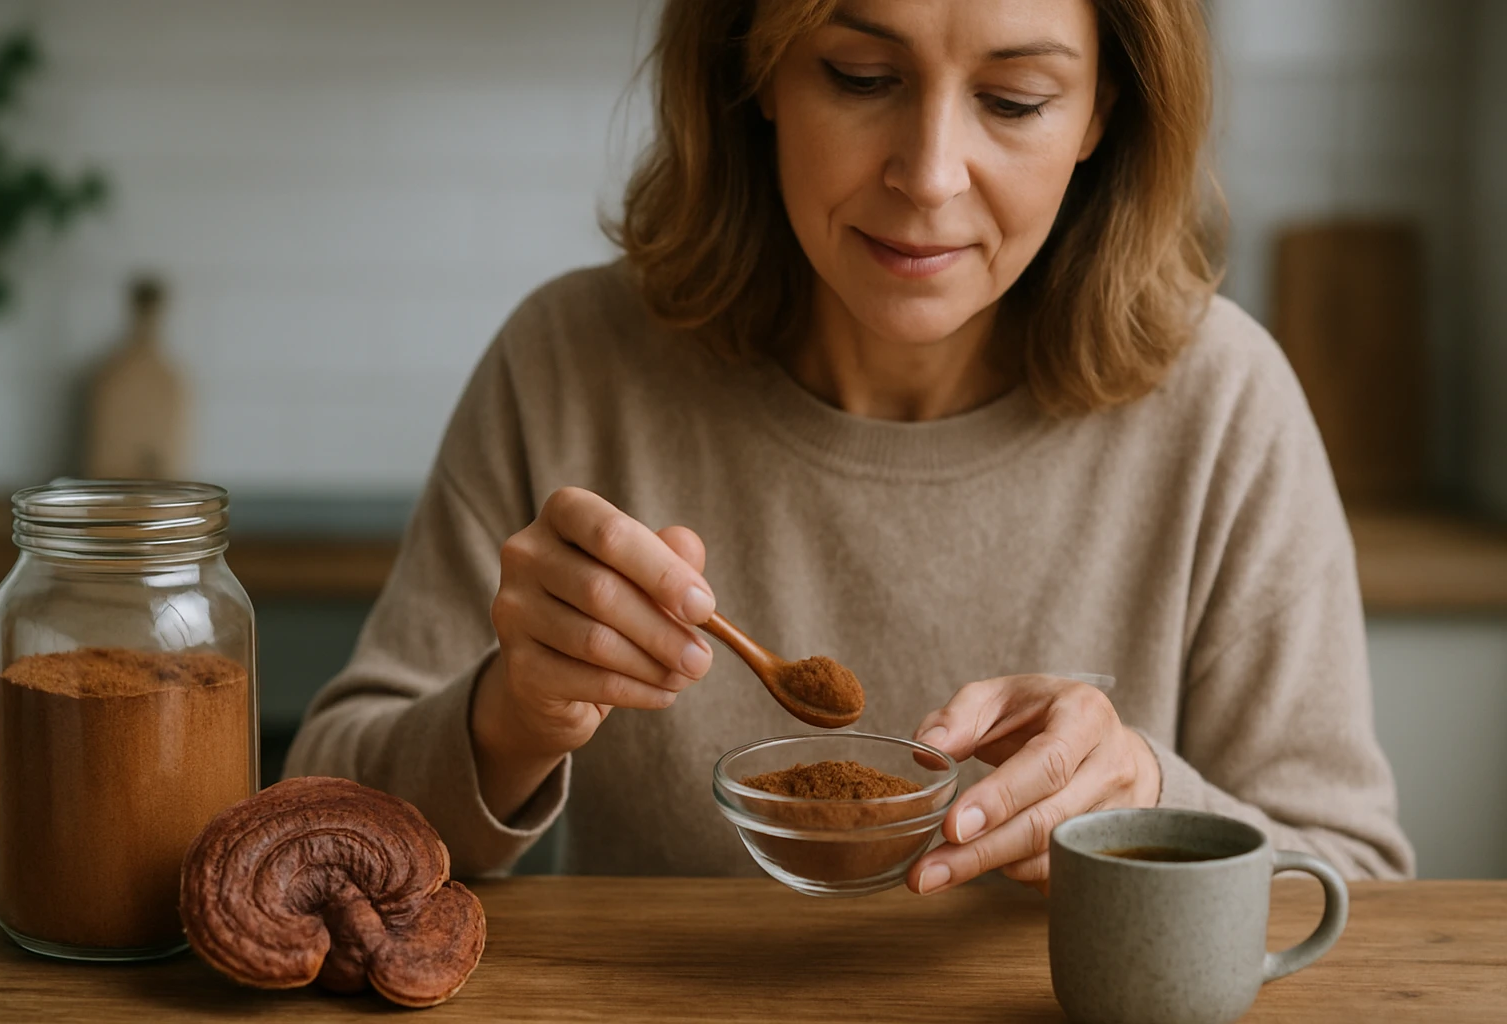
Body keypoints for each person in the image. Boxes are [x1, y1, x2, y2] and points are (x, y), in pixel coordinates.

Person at [285, 0, 1414, 891]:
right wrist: (512, 716)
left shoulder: (1221, 404)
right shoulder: (572, 366)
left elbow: (1354, 885)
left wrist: (1150, 802)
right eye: (862, 77)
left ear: (1100, 113)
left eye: (1015, 100)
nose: (929, 175)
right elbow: (313, 820)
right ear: (757, 70)